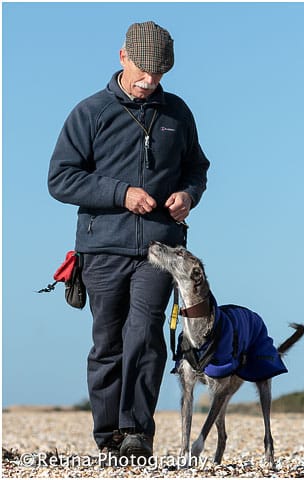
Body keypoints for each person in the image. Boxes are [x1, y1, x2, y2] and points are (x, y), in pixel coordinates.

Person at [48, 21, 210, 460]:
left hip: (160, 251)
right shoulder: (90, 112)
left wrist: (188, 195)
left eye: (158, 74)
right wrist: (120, 194)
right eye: (143, 70)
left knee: (144, 334)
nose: (149, 81)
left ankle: (137, 431)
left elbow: (198, 168)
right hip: (100, 249)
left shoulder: (178, 113)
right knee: (107, 343)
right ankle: (109, 436)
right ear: (122, 57)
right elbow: (60, 179)